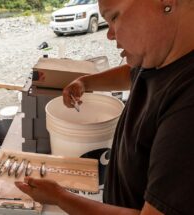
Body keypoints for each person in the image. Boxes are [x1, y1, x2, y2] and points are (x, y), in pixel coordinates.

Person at [15, 0, 194, 214]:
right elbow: (132, 73)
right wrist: (86, 82)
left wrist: (60, 198)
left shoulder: (187, 106)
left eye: (114, 17)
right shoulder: (161, 56)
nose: (109, 34)